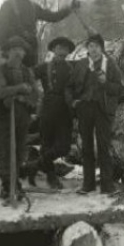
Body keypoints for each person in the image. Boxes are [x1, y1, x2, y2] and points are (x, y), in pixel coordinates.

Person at [67, 34, 123, 195]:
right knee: (86, 148)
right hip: (84, 108)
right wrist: (73, 102)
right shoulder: (81, 64)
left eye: (97, 46)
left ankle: (107, 186)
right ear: (87, 49)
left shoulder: (110, 64)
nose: (94, 49)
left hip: (103, 109)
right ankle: (88, 184)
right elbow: (69, 86)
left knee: (104, 147)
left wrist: (106, 83)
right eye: (91, 46)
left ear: (102, 48)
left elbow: (119, 89)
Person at [0, 0, 81, 67]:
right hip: (13, 51)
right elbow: (0, 29)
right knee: (11, 78)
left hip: (30, 51)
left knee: (31, 77)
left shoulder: (33, 7)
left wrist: (69, 9)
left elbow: (52, 17)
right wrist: (6, 49)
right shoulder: (8, 5)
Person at [0, 36, 39, 202]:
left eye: (21, 50)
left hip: (22, 116)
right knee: (4, 150)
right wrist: (19, 88)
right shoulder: (0, 70)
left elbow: (35, 94)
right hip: (5, 116)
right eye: (15, 50)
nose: (19, 53)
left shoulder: (27, 71)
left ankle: (15, 180)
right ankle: (7, 184)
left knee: (19, 150)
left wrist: (22, 98)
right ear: (8, 52)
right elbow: (0, 92)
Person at [33, 36, 76, 189]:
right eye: (59, 47)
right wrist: (34, 94)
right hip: (48, 109)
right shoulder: (44, 67)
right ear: (53, 49)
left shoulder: (73, 67)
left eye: (65, 48)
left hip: (65, 111)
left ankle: (35, 165)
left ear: (69, 51)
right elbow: (28, 76)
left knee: (64, 147)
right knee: (46, 144)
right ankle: (51, 178)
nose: (62, 50)